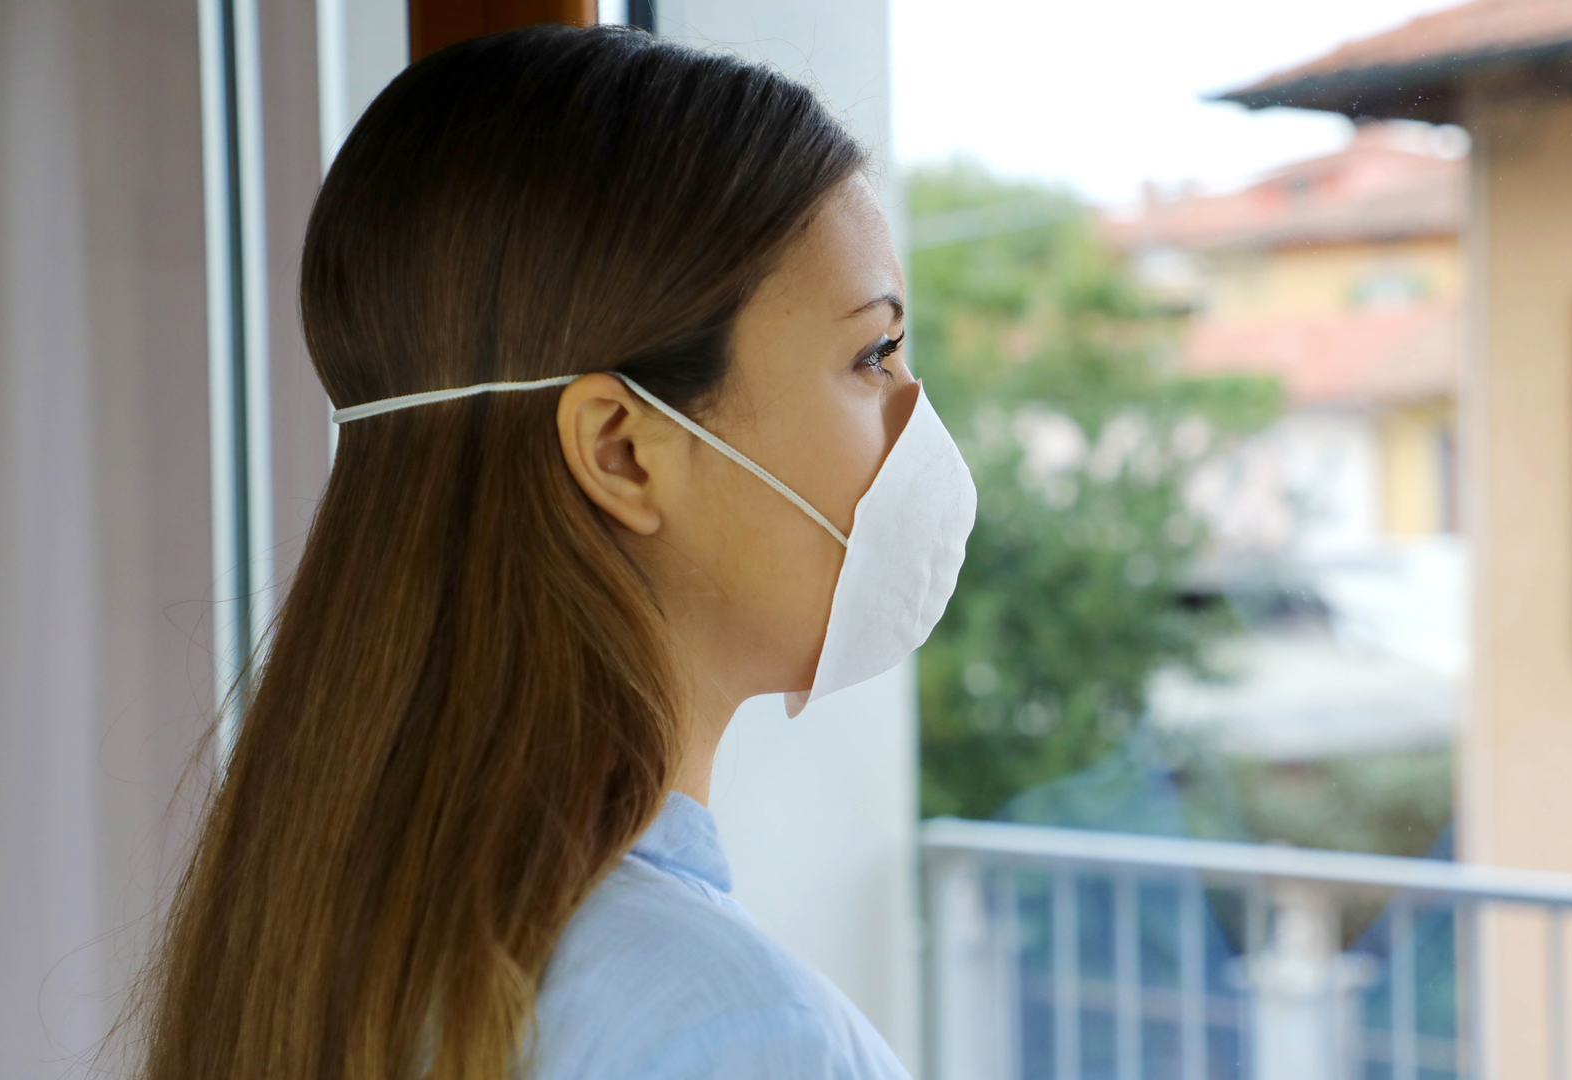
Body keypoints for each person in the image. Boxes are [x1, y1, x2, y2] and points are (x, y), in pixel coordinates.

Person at [131, 25, 973, 1080]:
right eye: (873, 355)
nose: (918, 420)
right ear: (622, 450)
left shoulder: (311, 942)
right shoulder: (736, 1035)